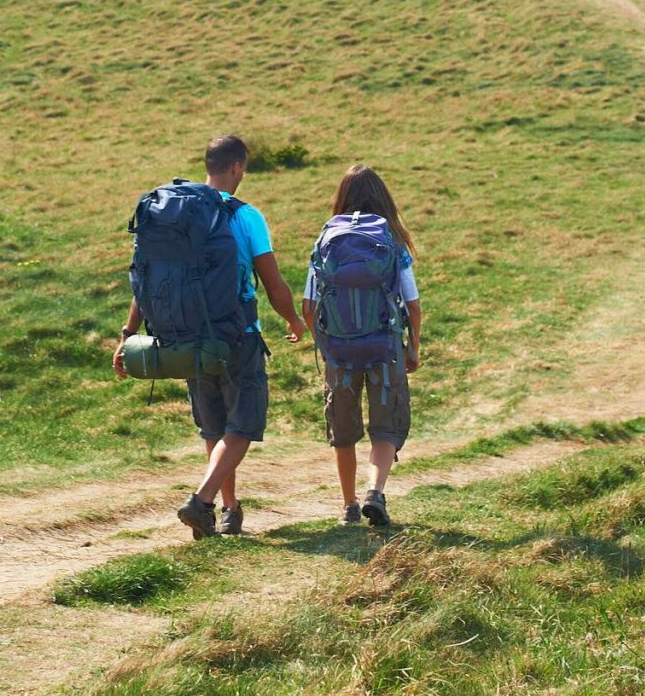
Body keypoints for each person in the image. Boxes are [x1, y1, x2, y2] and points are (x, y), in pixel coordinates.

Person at [114, 133, 304, 537]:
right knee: (243, 424)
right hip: (236, 335)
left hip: (185, 335)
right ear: (237, 167)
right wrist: (293, 320)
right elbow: (272, 283)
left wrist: (129, 333)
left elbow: (145, 280)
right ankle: (202, 501)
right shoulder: (243, 216)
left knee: (213, 426)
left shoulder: (174, 215)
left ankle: (228, 509)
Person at [304, 164, 423, 528]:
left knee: (344, 428)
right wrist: (413, 347)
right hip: (384, 346)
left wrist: (325, 344)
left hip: (339, 349)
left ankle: (349, 505)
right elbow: (413, 304)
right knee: (386, 425)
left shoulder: (326, 239)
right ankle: (376, 491)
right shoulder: (393, 242)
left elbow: (309, 305)